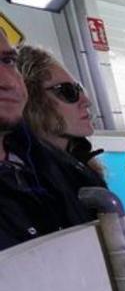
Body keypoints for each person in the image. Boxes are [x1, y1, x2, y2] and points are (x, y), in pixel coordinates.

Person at [1, 34, 103, 250]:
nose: (86, 101)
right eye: (67, 92)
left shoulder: (71, 170)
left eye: (8, 61)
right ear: (34, 100)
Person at [15, 46, 103, 175]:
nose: (86, 102)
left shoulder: (80, 165)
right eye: (67, 91)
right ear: (31, 101)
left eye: (79, 89)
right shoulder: (23, 177)